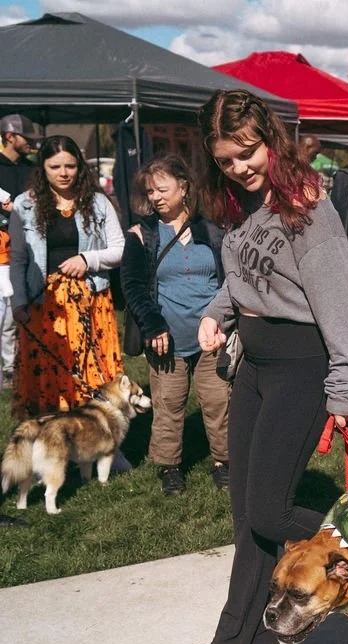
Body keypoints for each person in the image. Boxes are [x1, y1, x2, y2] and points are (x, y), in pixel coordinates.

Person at [186, 89, 348, 644]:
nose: (239, 169)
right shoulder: (243, 205)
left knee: (268, 512)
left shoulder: (306, 205)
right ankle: (244, 634)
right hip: (255, 368)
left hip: (301, 367)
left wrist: (345, 387)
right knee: (246, 514)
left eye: (247, 153)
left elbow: (341, 303)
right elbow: (242, 275)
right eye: (226, 160)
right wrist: (219, 311)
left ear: (271, 139)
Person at [120, 155, 230, 497]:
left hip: (211, 338)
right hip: (166, 339)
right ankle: (170, 467)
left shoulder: (212, 230)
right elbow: (133, 286)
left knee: (218, 402)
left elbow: (229, 281)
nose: (155, 197)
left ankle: (224, 462)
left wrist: (225, 323)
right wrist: (153, 326)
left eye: (162, 189)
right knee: (168, 404)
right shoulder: (143, 235)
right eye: (150, 191)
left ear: (184, 188)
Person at [8, 135, 124, 418]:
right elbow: (18, 259)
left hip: (90, 300)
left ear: (79, 166)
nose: (63, 173)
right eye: (55, 166)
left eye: (70, 166)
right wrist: (19, 302)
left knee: (92, 370)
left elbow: (120, 249)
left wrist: (88, 259)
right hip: (43, 303)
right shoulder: (24, 205)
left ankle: (101, 439)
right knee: (48, 373)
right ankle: (48, 443)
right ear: (43, 168)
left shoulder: (98, 203)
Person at [0, 114, 42, 385]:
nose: (31, 143)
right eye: (27, 137)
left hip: (25, 249)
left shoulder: (31, 171)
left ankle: (15, 368)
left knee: (16, 313)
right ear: (9, 137)